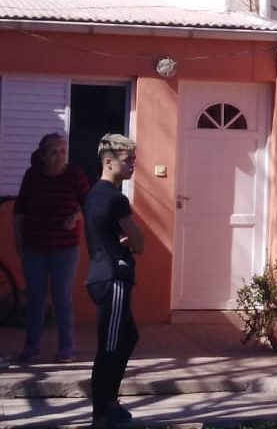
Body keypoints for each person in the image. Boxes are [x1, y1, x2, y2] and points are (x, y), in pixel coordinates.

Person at [12, 133, 90, 364]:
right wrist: (18, 241)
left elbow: (89, 203)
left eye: (63, 151)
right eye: (54, 152)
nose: (59, 156)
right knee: (35, 298)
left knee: (61, 298)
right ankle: (31, 348)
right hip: (34, 247)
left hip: (65, 249)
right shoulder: (32, 176)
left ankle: (66, 348)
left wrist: (76, 216)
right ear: (44, 155)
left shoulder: (74, 175)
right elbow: (20, 210)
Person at [83, 134, 144, 429]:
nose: (133, 164)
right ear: (109, 162)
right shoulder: (116, 198)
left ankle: (109, 403)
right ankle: (102, 412)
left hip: (101, 275)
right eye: (128, 159)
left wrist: (119, 238)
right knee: (109, 346)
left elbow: (103, 231)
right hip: (113, 277)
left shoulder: (93, 194)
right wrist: (129, 240)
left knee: (128, 336)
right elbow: (140, 241)